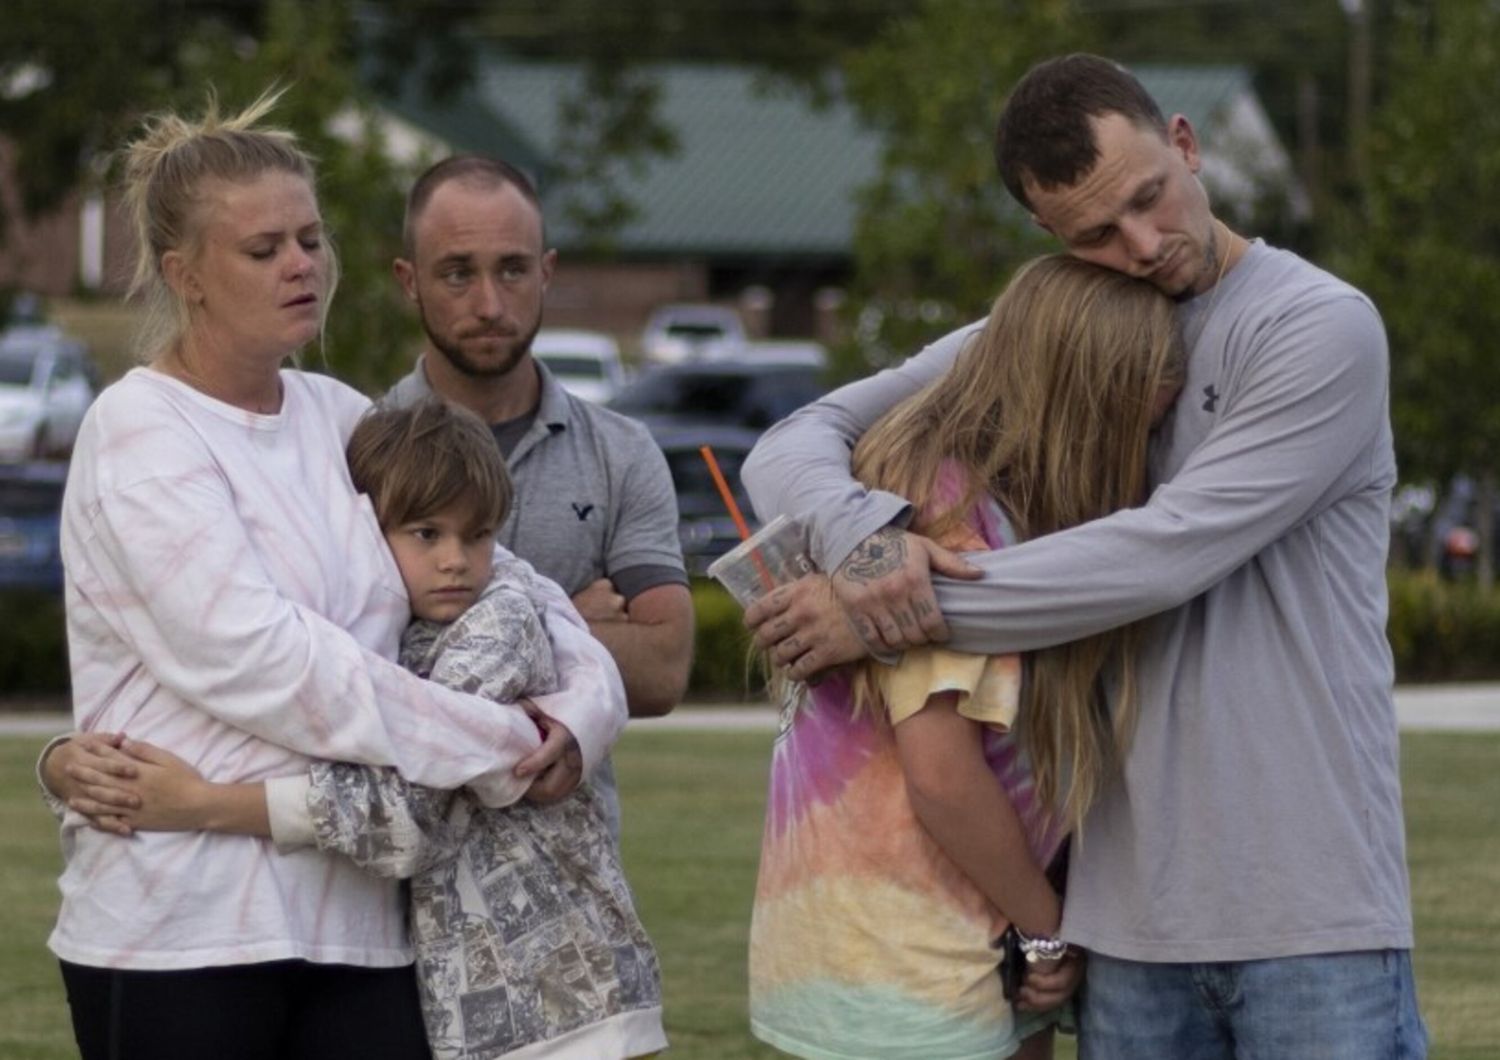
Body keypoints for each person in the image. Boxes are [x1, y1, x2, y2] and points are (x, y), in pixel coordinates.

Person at [742, 54, 1426, 1059]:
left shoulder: (1315, 325)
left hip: (1309, 912)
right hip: (1119, 918)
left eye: (1151, 198)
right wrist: (875, 550)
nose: (1144, 246)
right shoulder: (1060, 329)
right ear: (1047, 235)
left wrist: (882, 614)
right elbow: (794, 439)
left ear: (1185, 145)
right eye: (1097, 233)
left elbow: (1164, 552)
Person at [42, 91, 625, 1060]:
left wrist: (577, 717)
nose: (303, 265)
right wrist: (491, 741)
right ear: (184, 274)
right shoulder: (137, 429)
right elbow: (262, 658)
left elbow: (510, 581)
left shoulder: (341, 414)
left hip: (362, 927)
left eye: (310, 239)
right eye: (264, 248)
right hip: (181, 925)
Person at [77, 398, 668, 1060]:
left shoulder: (493, 627)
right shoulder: (409, 629)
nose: (455, 561)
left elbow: (411, 814)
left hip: (559, 997)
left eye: (476, 536)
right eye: (425, 534)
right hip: (502, 998)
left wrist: (202, 805)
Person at [749, 254, 1184, 1060]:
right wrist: (1050, 932)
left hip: (965, 938)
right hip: (907, 963)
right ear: (1077, 398)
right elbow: (943, 777)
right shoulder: (940, 504)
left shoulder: (997, 505)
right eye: (1134, 423)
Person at [383, 155, 694, 836]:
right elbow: (348, 665)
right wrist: (567, 622)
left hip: (568, 878)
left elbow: (665, 670)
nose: (490, 304)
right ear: (409, 281)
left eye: (513, 270)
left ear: (547, 271)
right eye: (458, 273)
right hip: (391, 886)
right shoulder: (362, 446)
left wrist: (445, 630)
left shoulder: (620, 452)